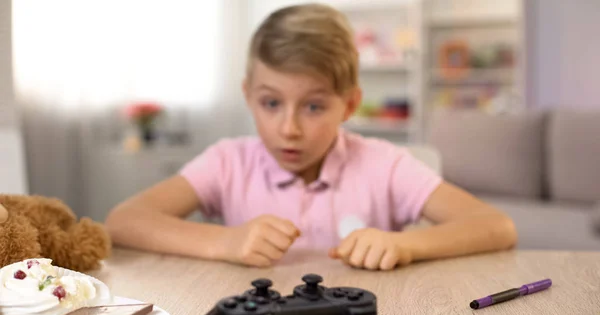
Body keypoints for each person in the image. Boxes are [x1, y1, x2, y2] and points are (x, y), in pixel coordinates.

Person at [105, 3, 517, 271]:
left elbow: (495, 226)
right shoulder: (228, 162)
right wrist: (226, 241)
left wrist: (404, 244)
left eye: (314, 106)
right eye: (271, 103)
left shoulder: (383, 164)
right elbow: (124, 221)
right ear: (248, 95)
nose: (289, 128)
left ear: (349, 105)